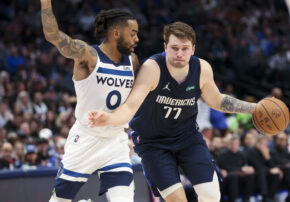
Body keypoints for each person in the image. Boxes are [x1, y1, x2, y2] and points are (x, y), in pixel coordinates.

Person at [89, 21, 257, 202]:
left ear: (193, 49)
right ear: (165, 47)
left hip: (187, 138)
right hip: (153, 143)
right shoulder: (152, 68)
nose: (179, 53)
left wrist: (254, 108)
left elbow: (217, 100)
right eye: (174, 48)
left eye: (184, 48)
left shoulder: (202, 69)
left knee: (212, 195)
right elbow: (131, 106)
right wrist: (110, 117)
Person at [40, 0, 139, 201]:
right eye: (133, 33)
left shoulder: (133, 61)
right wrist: (45, 3)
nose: (137, 38)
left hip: (115, 141)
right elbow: (53, 36)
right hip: (85, 139)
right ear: (116, 33)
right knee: (59, 200)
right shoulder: (88, 55)